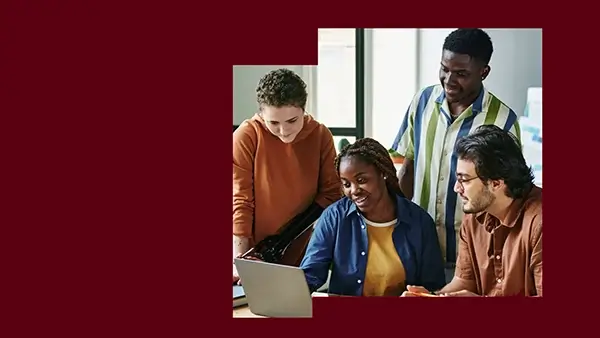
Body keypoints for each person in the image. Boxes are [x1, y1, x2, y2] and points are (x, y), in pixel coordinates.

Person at [391, 28, 522, 272]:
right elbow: (407, 168)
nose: (449, 80)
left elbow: (508, 197)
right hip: (418, 251)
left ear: (484, 72)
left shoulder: (503, 121)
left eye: (461, 74)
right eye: (445, 69)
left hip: (473, 257)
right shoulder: (422, 101)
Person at [402, 125, 542, 297]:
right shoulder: (474, 216)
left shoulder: (539, 222)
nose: (456, 188)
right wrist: (431, 298)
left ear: (496, 183)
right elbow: (464, 282)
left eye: (465, 180)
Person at [232, 68, 342, 284]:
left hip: (301, 249)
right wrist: (240, 261)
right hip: (249, 248)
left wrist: (285, 240)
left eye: (292, 121)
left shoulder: (321, 136)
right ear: (262, 114)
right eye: (273, 123)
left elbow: (331, 194)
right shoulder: (247, 136)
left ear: (304, 109)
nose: (283, 131)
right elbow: (240, 200)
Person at [299, 138, 445, 296]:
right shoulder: (334, 217)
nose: (354, 190)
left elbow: (433, 286)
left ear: (382, 173)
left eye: (361, 180)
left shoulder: (420, 222)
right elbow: (311, 274)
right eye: (346, 184)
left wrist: (423, 294)